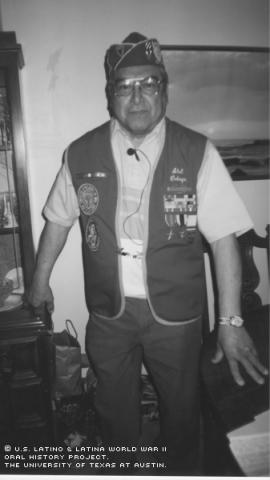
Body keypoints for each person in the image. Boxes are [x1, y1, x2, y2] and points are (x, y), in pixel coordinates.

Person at [28, 32, 268, 474]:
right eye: (125, 86)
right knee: (114, 412)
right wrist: (40, 284)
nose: (137, 96)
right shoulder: (80, 152)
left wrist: (231, 322)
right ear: (110, 95)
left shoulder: (197, 151)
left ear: (164, 89)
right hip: (109, 315)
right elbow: (58, 221)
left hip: (176, 318)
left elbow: (223, 240)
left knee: (182, 412)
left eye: (149, 83)